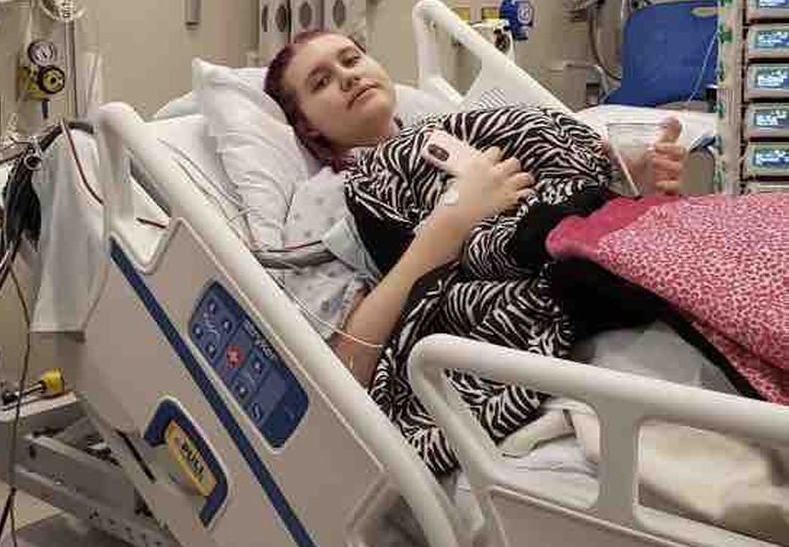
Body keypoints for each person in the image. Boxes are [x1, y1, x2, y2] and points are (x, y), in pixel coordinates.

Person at [264, 29, 687, 473]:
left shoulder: (464, 131)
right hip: (516, 327)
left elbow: (553, 189)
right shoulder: (326, 196)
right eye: (321, 82)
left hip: (597, 284)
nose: (347, 77)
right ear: (307, 124)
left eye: (351, 60)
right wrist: (448, 226)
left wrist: (632, 180)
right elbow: (344, 367)